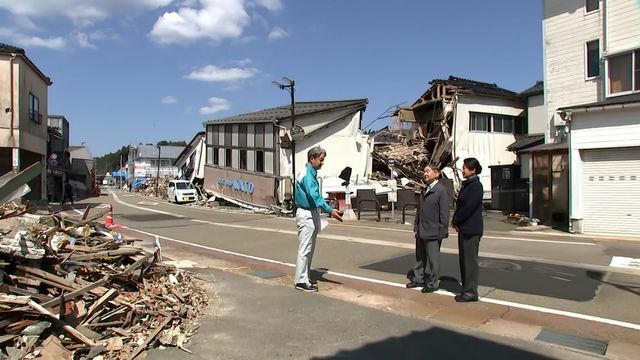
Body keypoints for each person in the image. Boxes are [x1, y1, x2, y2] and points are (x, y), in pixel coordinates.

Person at [294, 146, 342, 293]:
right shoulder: (308, 175)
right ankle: (301, 280)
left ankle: (305, 277)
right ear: (312, 159)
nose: (322, 163)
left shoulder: (309, 172)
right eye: (321, 160)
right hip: (306, 213)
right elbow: (314, 196)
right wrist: (330, 210)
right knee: (305, 248)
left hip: (310, 212)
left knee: (309, 247)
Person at [407, 164, 451, 293]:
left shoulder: (441, 190)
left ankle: (432, 283)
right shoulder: (424, 190)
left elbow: (444, 213)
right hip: (421, 229)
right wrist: (416, 226)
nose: (425, 174)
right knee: (420, 257)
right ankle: (418, 278)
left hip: (433, 230)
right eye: (424, 172)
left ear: (436, 174)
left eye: (428, 171)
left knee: (432, 259)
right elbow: (419, 211)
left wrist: (442, 230)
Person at [452, 158, 484, 302]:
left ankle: (470, 292)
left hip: (471, 228)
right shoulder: (468, 185)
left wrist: (456, 220)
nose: (462, 170)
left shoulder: (475, 186)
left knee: (470, 262)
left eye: (465, 168)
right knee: (464, 261)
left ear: (473, 170)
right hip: (465, 228)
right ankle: (467, 289)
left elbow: (468, 208)